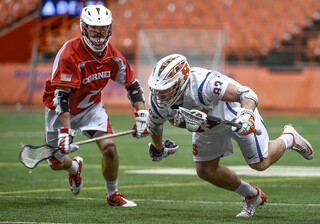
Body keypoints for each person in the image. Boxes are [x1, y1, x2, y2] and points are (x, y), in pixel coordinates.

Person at [146, 54, 314, 217]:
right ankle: (252, 195)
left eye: (165, 90)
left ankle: (289, 137)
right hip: (207, 127)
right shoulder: (157, 102)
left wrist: (246, 114)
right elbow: (155, 126)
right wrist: (159, 148)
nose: (159, 95)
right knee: (205, 170)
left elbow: (247, 94)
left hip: (233, 115)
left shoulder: (204, 84)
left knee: (260, 163)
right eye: (157, 89)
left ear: (182, 83)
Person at [42, 5, 148, 207]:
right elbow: (61, 96)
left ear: (109, 29)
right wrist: (65, 131)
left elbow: (133, 85)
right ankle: (74, 167)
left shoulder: (112, 55)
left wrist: (142, 114)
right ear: (83, 28)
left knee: (109, 149)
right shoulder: (70, 53)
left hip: (91, 107)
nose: (99, 34)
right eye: (94, 28)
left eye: (103, 29)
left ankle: (113, 195)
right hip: (60, 110)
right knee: (55, 163)